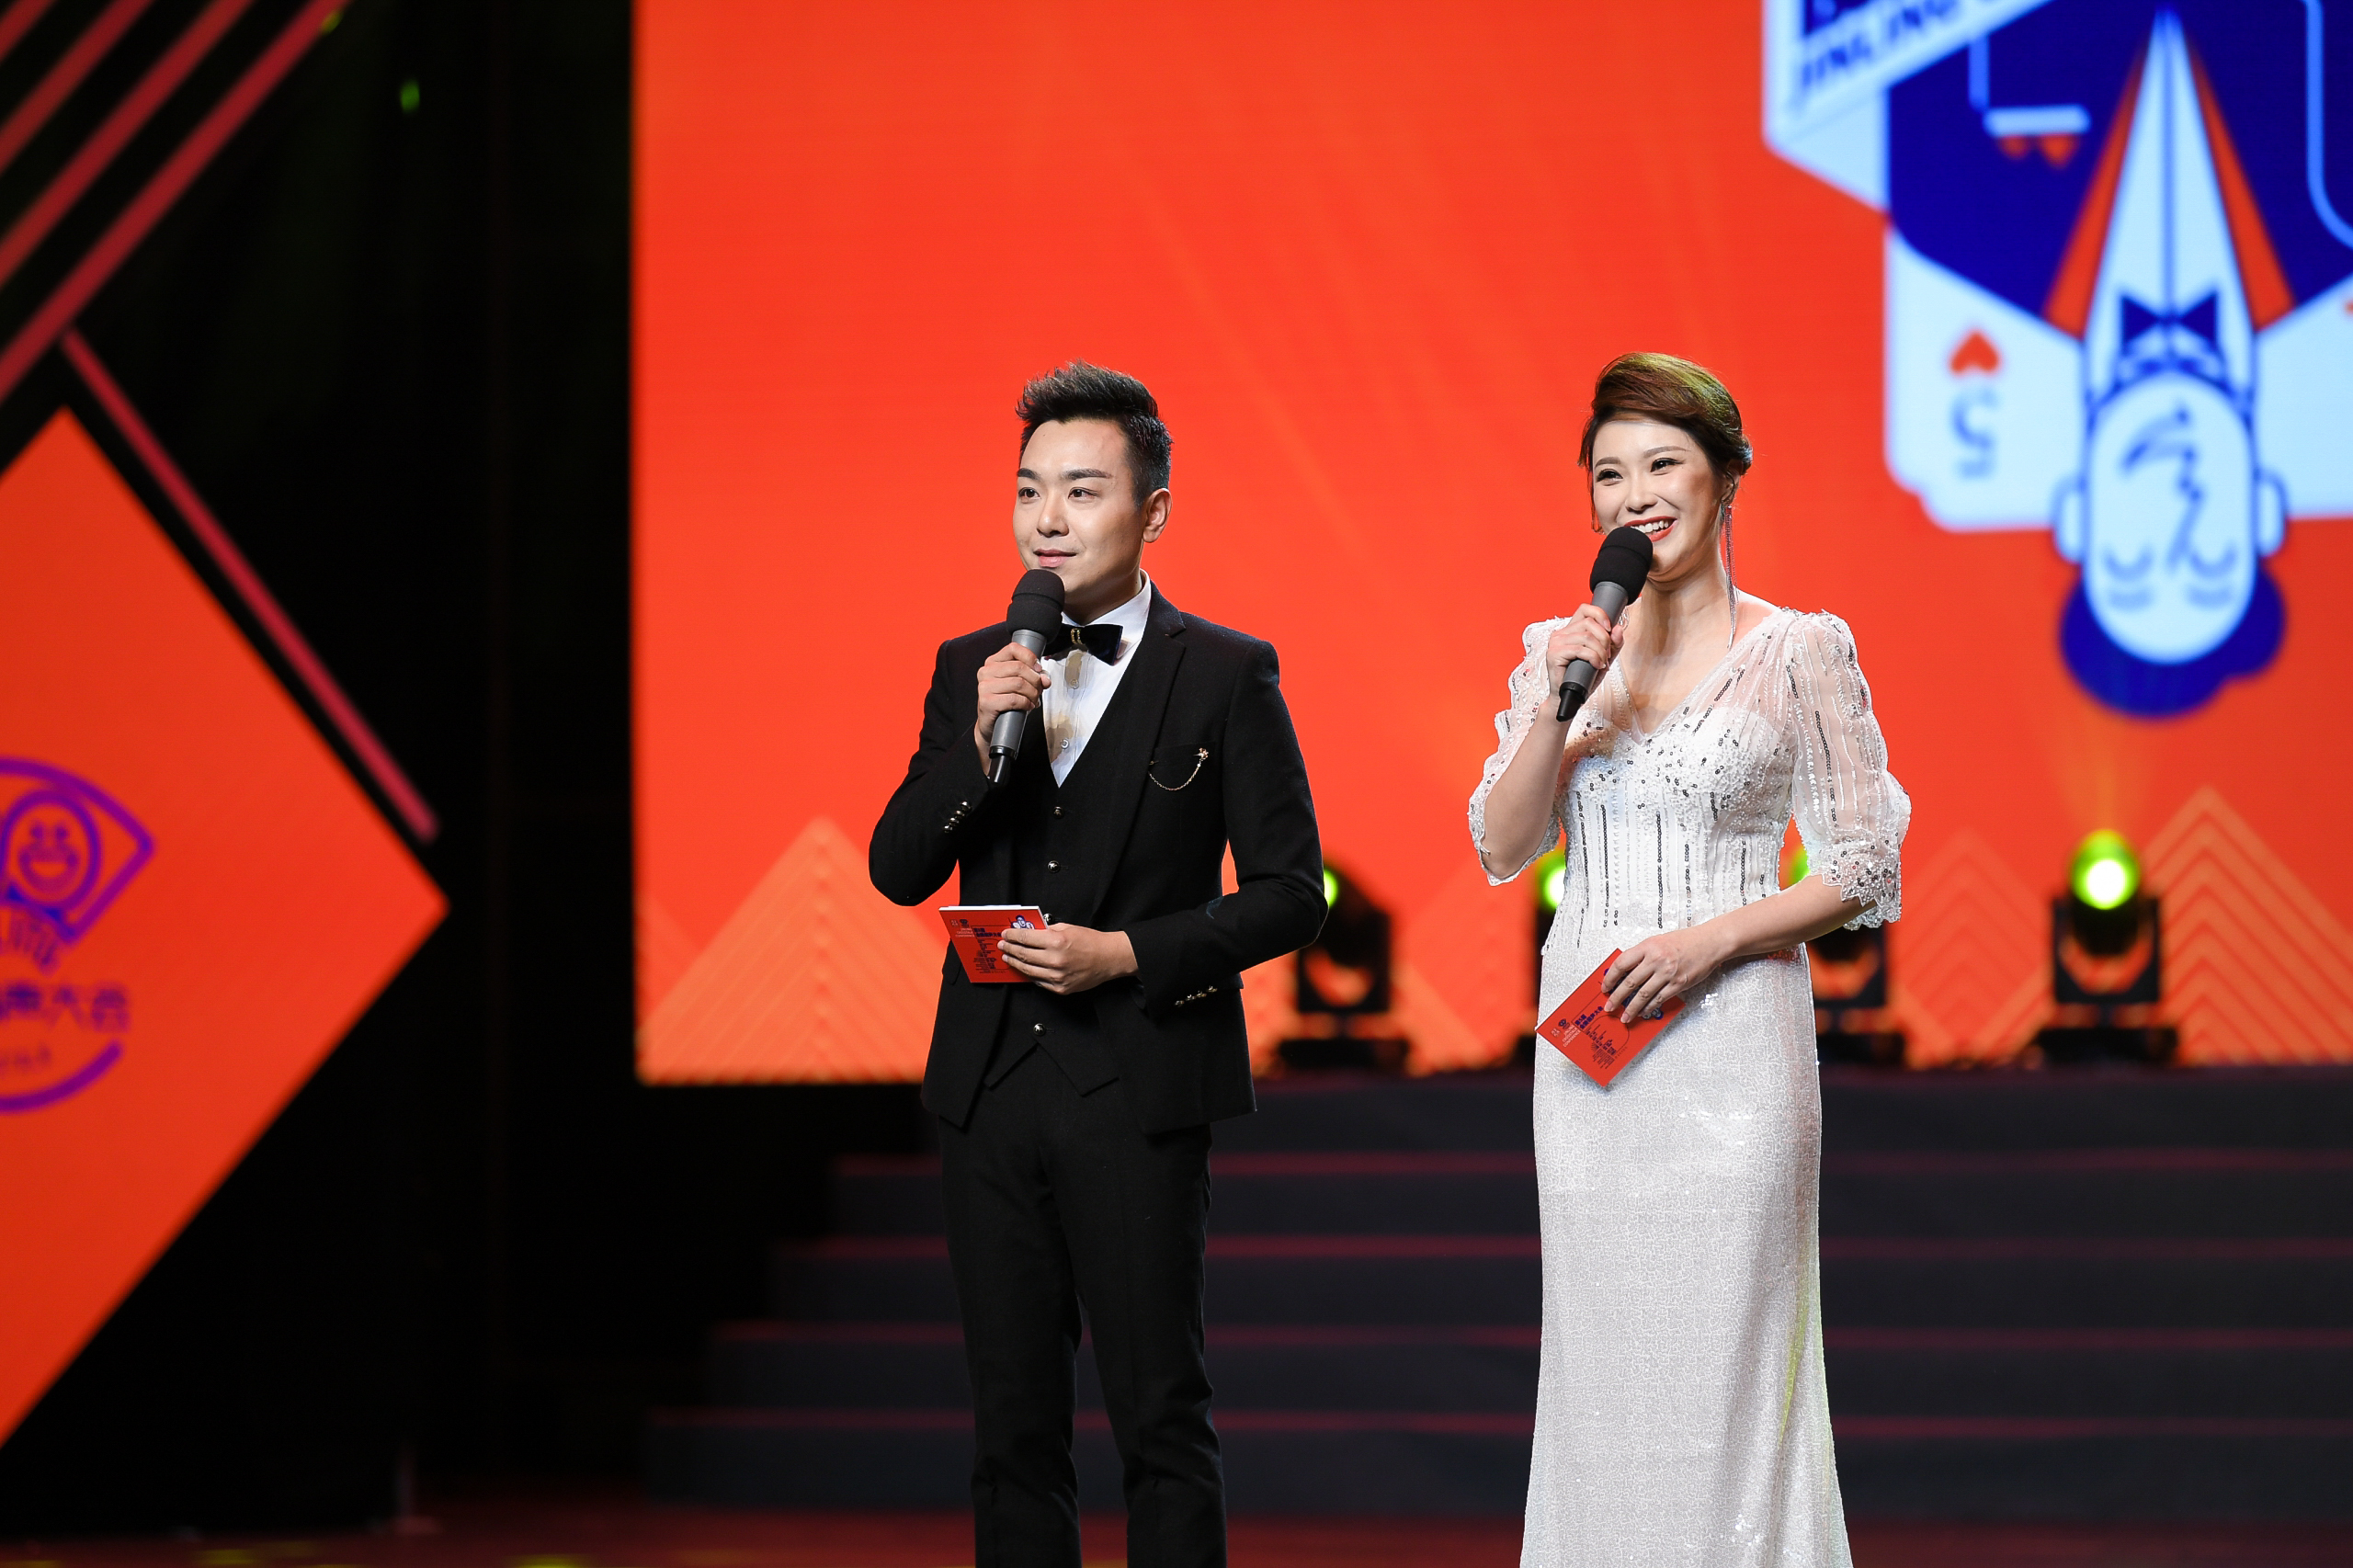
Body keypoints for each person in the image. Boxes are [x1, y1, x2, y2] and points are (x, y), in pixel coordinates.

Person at [870, 362, 1325, 1568]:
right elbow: (897, 867)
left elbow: (1292, 893)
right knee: (1011, 1429)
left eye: (1081, 490)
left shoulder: (1225, 672)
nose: (1049, 520)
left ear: (1153, 510)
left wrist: (1127, 951)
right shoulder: (972, 663)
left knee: (1160, 1419)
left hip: (1140, 1085)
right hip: (988, 1090)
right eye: (1030, 491)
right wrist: (978, 744)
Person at [1468, 353, 1909, 1566]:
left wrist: (1710, 941)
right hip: (1592, 1061)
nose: (1635, 495)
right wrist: (1560, 703)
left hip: (1734, 1055)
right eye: (1609, 473)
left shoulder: (1799, 650)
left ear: (1726, 478)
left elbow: (1863, 863)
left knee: (1729, 1369)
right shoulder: (1562, 652)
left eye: (1662, 464)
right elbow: (1503, 846)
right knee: (1603, 1364)